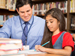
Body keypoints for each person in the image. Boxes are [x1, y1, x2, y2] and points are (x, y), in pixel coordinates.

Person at [0, 0, 75, 50]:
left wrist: (71, 35)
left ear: (32, 8)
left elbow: (57, 33)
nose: (26, 15)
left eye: (28, 11)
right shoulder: (10, 22)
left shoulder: (43, 22)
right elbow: (1, 38)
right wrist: (12, 46)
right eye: (22, 12)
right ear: (17, 11)